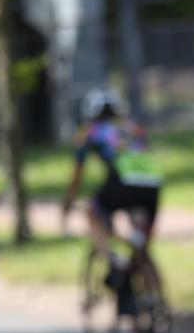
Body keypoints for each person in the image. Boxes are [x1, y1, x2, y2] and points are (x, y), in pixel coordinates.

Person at [61, 87, 162, 315]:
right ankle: (156, 301)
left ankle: (114, 261)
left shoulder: (90, 132)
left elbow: (77, 176)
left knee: (93, 212)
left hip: (123, 184)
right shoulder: (133, 128)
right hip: (152, 187)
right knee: (142, 248)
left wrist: (67, 204)